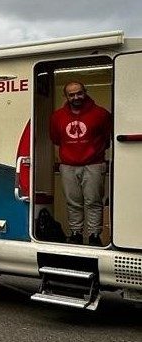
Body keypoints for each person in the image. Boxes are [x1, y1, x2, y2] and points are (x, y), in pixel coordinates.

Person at [49, 81, 113, 246]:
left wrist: (93, 153)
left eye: (79, 93)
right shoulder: (57, 117)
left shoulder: (101, 114)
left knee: (93, 201)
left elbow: (108, 139)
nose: (76, 97)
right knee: (73, 202)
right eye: (71, 95)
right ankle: (76, 233)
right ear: (66, 97)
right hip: (68, 165)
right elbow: (56, 139)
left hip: (94, 164)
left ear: (85, 92)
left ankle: (94, 235)